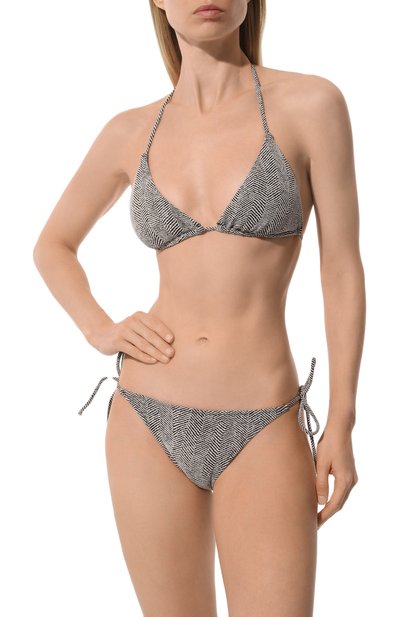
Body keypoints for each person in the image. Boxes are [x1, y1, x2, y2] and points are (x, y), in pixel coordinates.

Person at [33, 1, 365, 615]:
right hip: (146, 419)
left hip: (264, 420)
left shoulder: (311, 105)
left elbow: (341, 270)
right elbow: (52, 245)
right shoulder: (130, 131)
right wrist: (100, 328)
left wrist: (341, 421)